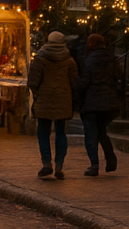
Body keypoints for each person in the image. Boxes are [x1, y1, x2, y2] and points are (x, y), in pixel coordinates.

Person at [28, 30, 78, 179]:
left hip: (44, 99)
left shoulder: (40, 59)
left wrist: (37, 93)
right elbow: (75, 81)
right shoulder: (69, 60)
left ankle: (46, 163)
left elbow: (33, 81)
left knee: (43, 131)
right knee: (61, 132)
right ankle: (59, 165)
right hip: (63, 99)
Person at [75, 33, 122, 176]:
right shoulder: (112, 60)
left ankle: (94, 164)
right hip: (109, 102)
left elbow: (84, 82)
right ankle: (110, 157)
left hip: (92, 102)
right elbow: (118, 79)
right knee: (102, 132)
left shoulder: (87, 61)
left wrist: (77, 93)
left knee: (90, 133)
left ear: (91, 45)